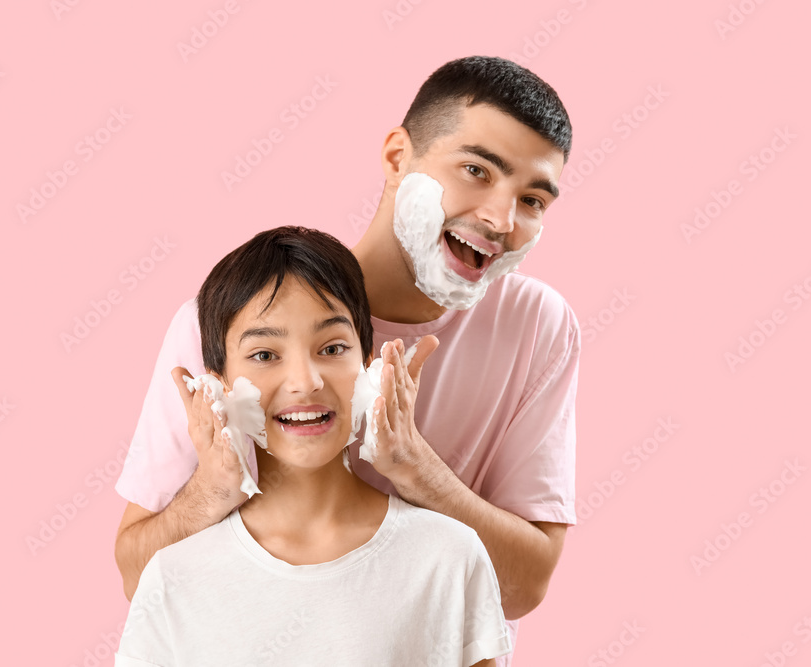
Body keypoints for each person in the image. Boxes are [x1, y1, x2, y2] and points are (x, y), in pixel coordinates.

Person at [115, 55, 579, 664]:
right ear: (396, 159)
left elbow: (522, 587)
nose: (501, 219)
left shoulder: (537, 327)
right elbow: (141, 579)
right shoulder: (227, 317)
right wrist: (214, 487)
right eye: (475, 170)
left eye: (534, 200)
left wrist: (416, 468)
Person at [114, 226, 512, 665]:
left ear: (366, 364)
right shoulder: (173, 578)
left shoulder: (449, 557)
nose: (306, 382)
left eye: (332, 347)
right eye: (265, 354)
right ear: (219, 383)